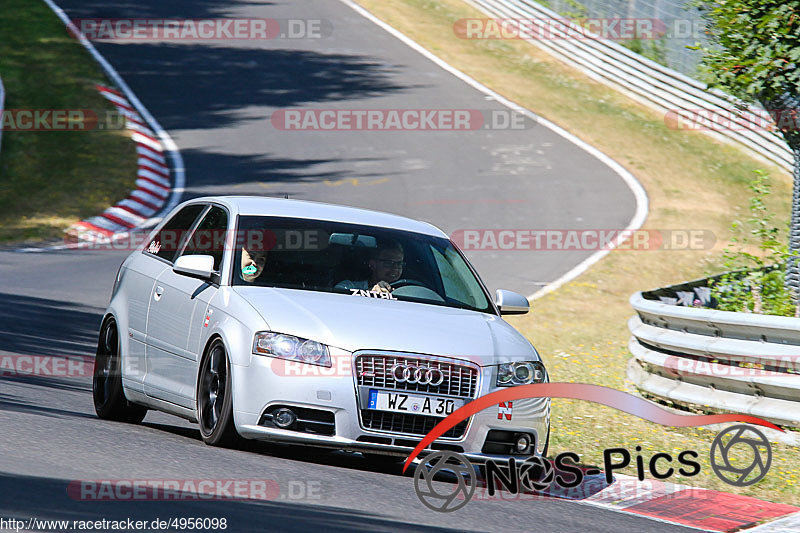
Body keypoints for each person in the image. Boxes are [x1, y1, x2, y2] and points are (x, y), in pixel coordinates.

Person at [336, 241, 404, 293]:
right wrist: (371, 292)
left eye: (399, 263)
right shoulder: (350, 286)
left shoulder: (409, 292)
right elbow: (337, 297)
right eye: (389, 263)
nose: (395, 268)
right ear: (372, 264)